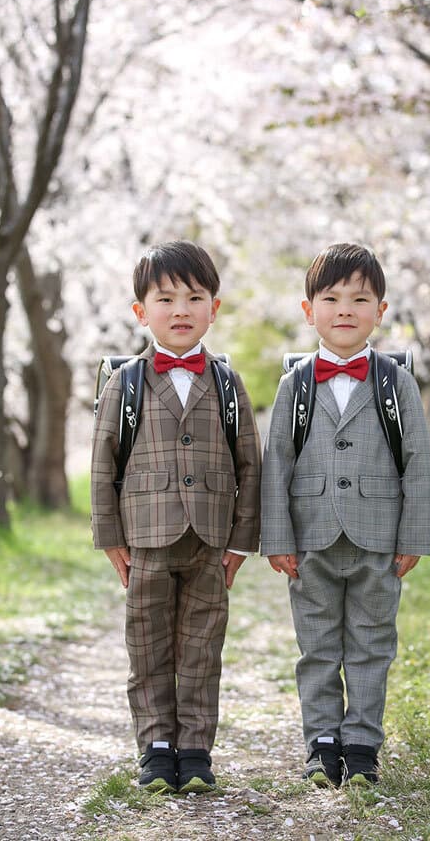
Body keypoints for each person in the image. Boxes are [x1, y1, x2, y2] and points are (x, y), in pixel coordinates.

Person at [261, 242, 430, 788]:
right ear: (308, 309)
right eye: (330, 298)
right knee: (315, 648)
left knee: (371, 643)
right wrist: (276, 538)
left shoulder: (394, 382)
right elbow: (277, 465)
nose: (344, 310)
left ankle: (361, 742)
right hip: (311, 539)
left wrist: (414, 536)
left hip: (377, 537)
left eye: (360, 299)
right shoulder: (295, 384)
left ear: (381, 312)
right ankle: (321, 742)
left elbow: (418, 462)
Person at [91, 240, 261, 795]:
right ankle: (156, 746)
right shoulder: (127, 383)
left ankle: (196, 748)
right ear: (141, 312)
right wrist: (110, 537)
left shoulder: (229, 385)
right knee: (147, 644)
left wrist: (241, 541)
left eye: (195, 297)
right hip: (145, 538)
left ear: (215, 307)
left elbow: (249, 465)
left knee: (202, 645)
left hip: (211, 540)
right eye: (166, 299)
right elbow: (103, 464)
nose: (181, 310)